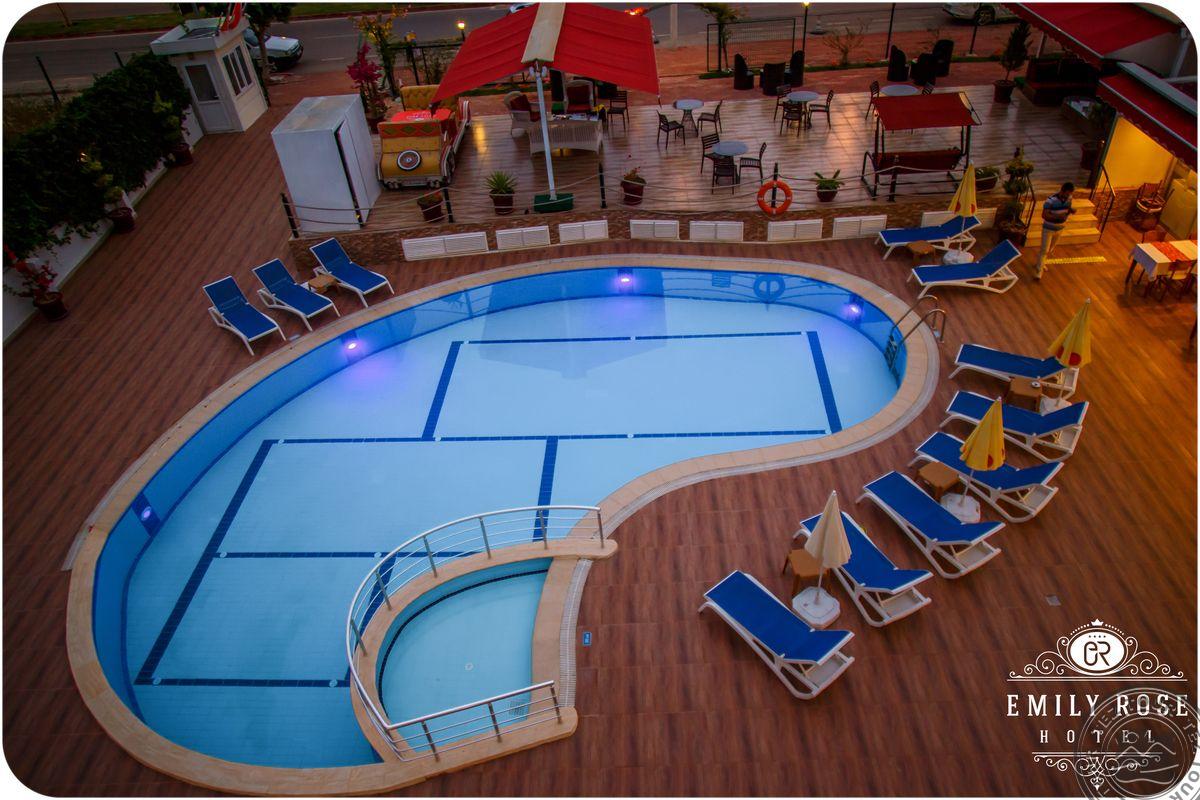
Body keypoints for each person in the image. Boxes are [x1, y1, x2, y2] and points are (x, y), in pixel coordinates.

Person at [1034, 182, 1075, 279]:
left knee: (1050, 249)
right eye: (1067, 193)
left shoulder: (1069, 199)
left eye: (1070, 194)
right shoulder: (1051, 200)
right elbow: (1044, 215)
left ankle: (1041, 263)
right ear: (1062, 191)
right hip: (1048, 228)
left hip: (1060, 228)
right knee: (1044, 250)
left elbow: (1067, 209)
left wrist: (1071, 210)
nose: (1069, 196)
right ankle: (1039, 271)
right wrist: (1057, 217)